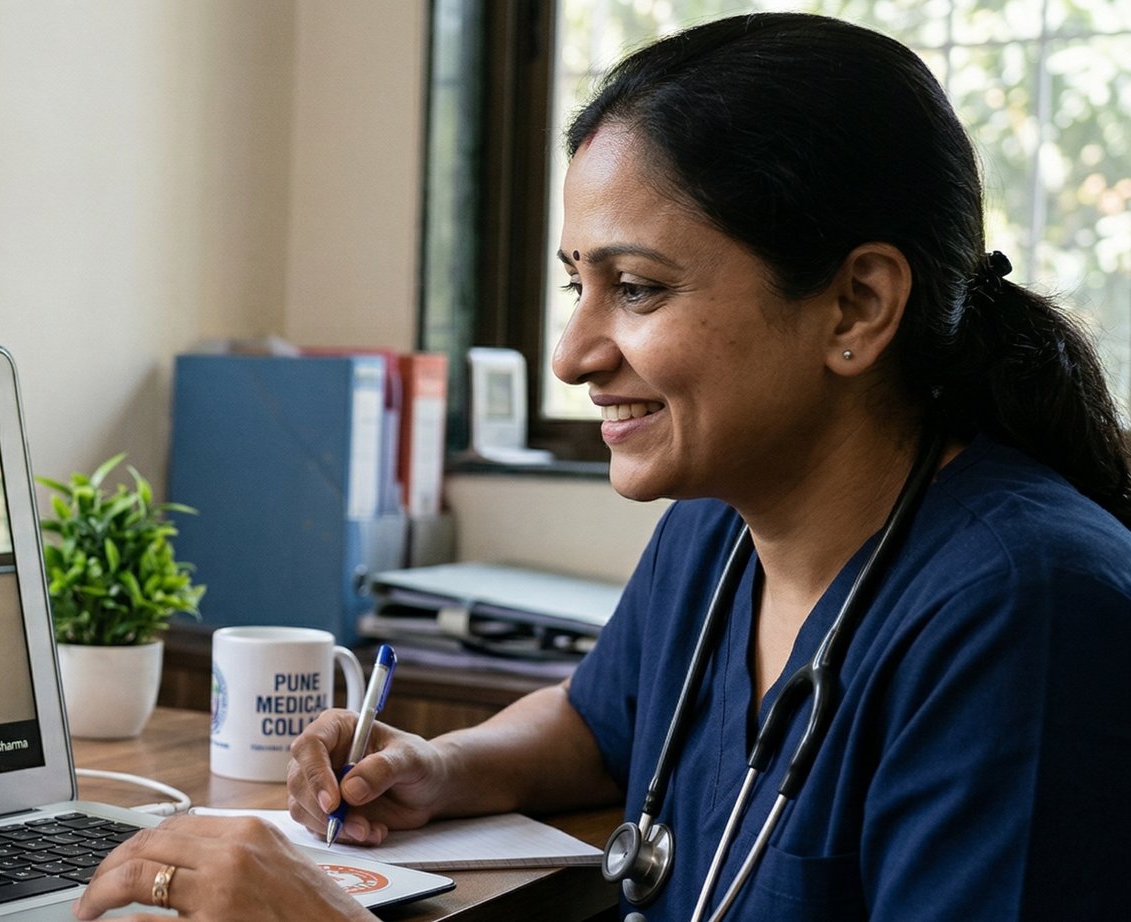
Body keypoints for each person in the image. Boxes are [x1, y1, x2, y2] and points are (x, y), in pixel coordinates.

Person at [74, 13, 1131, 921]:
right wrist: (445, 765)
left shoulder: (1024, 611)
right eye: (577, 282)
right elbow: (597, 721)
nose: (575, 353)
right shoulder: (721, 527)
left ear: (857, 305)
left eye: (636, 288)